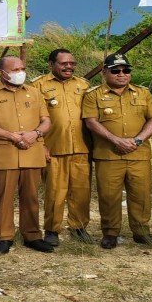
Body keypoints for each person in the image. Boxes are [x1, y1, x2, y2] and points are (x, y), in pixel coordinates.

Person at [82, 54, 152, 249]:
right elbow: (91, 122)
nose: (121, 74)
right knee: (109, 196)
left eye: (126, 70)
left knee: (141, 195)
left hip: (139, 154)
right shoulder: (93, 95)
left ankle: (141, 232)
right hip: (108, 154)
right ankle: (110, 232)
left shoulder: (143, 93)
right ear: (105, 72)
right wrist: (116, 140)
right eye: (115, 70)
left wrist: (138, 140)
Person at [0, 56, 53, 254]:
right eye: (15, 69)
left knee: (31, 196)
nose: (20, 73)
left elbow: (46, 121)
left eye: (22, 68)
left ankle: (32, 235)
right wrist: (11, 136)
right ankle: (4, 237)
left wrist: (34, 134)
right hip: (5, 153)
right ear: (2, 73)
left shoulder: (35, 93)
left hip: (32, 150)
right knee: (5, 197)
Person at [30, 49, 93, 246]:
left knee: (81, 191)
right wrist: (40, 145)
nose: (69, 67)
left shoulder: (83, 85)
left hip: (82, 147)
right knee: (55, 192)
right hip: (53, 148)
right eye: (64, 63)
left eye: (72, 63)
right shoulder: (37, 86)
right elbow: (31, 118)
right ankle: (52, 230)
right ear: (51, 64)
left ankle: (79, 227)